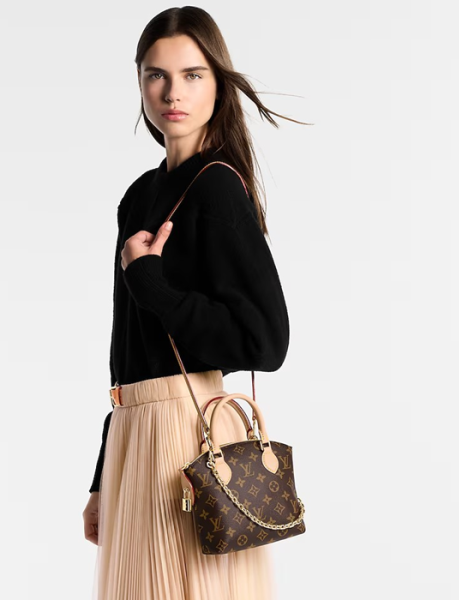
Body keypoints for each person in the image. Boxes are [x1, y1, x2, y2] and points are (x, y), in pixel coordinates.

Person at [82, 6, 310, 600]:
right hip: (132, 435)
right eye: (156, 75)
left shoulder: (218, 186)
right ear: (139, 82)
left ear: (216, 84)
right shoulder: (139, 196)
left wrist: (154, 286)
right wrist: (102, 475)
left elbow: (265, 342)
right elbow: (128, 347)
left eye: (192, 75)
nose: (172, 92)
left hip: (188, 434)